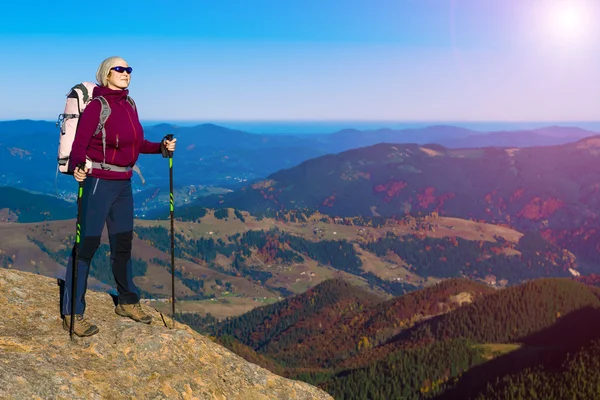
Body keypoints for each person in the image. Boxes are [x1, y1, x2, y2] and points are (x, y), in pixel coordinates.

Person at [62, 56, 176, 337]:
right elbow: (79, 145)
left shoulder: (129, 105)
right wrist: (78, 167)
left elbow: (136, 144)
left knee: (122, 244)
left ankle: (127, 302)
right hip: (99, 182)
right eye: (119, 69)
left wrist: (160, 147)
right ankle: (73, 313)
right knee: (86, 246)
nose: (126, 73)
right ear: (105, 74)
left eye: (129, 69)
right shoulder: (97, 107)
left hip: (124, 184)